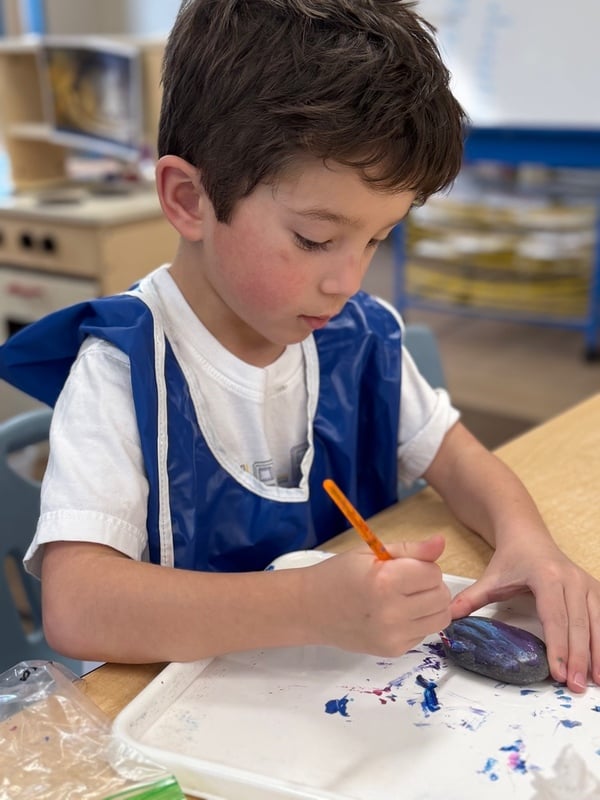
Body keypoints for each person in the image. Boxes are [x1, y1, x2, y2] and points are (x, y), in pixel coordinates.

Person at [0, 0, 598, 695]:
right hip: (176, 716)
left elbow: (464, 463)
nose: (348, 281)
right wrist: (309, 606)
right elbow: (77, 608)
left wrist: (529, 544)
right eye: (315, 239)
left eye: (376, 239)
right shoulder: (121, 369)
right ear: (190, 200)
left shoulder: (360, 338)